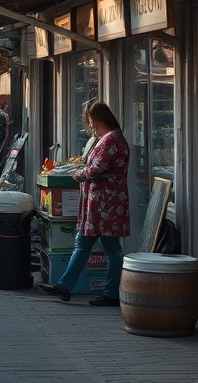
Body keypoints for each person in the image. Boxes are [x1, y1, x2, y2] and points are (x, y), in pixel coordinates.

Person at [38, 100, 130, 307]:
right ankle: (67, 286)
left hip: (105, 203)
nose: (90, 126)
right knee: (92, 244)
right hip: (103, 202)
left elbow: (96, 168)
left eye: (90, 121)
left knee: (107, 248)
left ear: (98, 119)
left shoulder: (110, 141)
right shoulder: (110, 139)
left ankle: (108, 292)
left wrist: (79, 173)